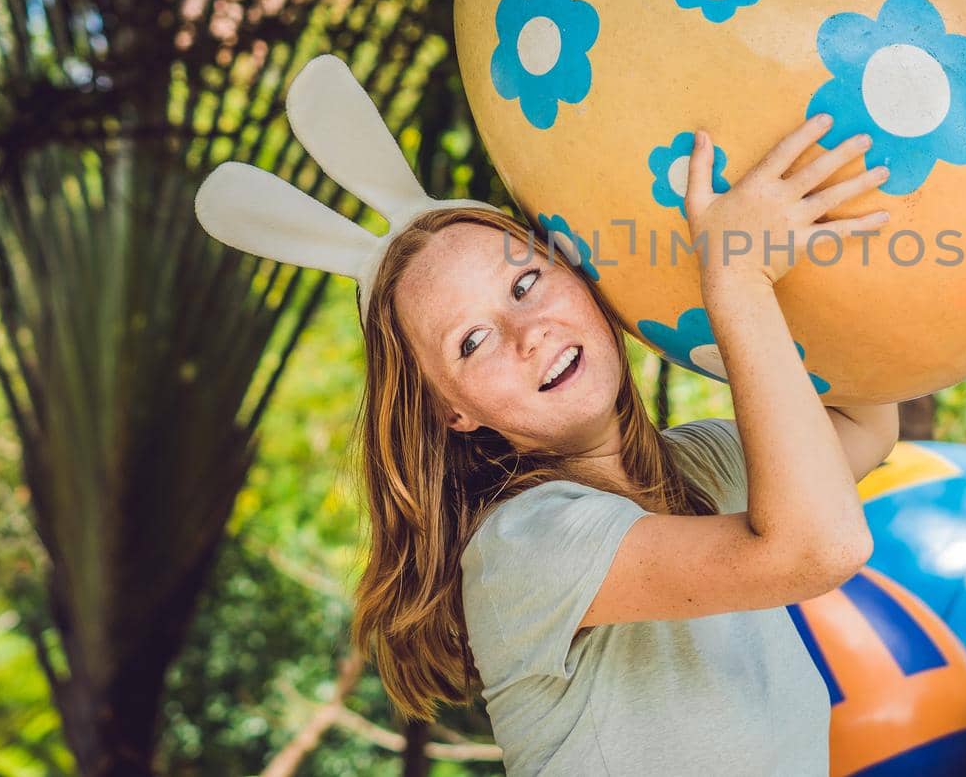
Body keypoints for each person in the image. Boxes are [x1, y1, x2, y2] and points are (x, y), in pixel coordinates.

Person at [193, 56, 898, 775]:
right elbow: (816, 548)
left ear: (581, 277)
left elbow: (867, 426)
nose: (526, 332)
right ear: (452, 411)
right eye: (472, 340)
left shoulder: (701, 466)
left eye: (526, 281)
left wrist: (809, 261)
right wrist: (738, 274)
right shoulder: (524, 545)